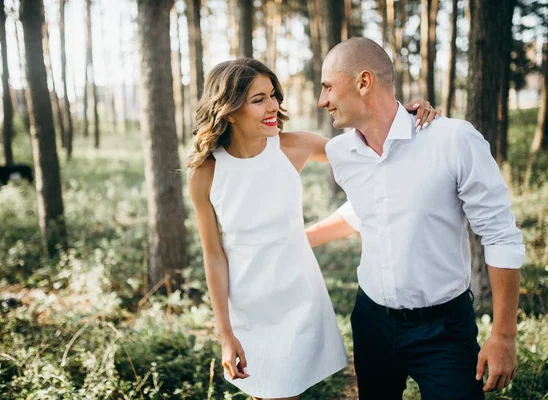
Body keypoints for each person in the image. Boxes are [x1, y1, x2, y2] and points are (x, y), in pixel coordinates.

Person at [187, 57, 439, 400]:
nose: (273, 105)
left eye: (273, 95)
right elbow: (214, 257)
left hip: (297, 299)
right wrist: (226, 334)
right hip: (248, 308)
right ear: (229, 110)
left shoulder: (295, 146)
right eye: (258, 99)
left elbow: (370, 151)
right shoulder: (207, 172)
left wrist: (408, 117)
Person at [306, 37, 525, 400]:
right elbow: (367, 209)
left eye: (328, 86)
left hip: (444, 331)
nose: (322, 100)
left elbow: (500, 235)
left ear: (363, 82)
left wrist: (504, 334)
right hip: (371, 323)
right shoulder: (341, 152)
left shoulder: (452, 140)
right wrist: (301, 239)